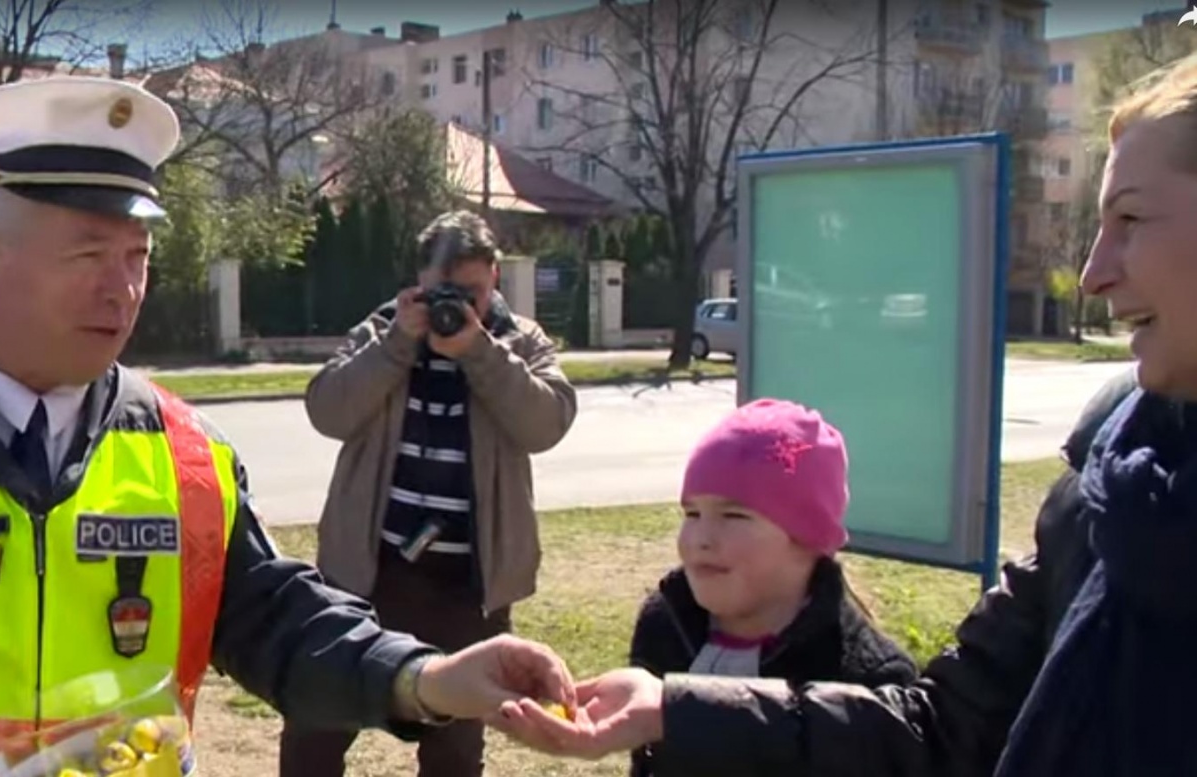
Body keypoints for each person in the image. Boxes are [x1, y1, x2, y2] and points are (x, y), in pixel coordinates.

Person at [493, 50, 1197, 777]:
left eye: (1133, 218)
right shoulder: (1101, 480)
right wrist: (677, 710)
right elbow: (939, 733)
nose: (1092, 273)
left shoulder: (863, 650)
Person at [0, 76, 575, 777]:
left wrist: (425, 677)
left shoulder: (185, 457)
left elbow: (276, 618)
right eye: (88, 255)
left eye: (138, 255)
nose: (124, 289)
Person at [282, 210, 577, 776]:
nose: (455, 306)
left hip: (468, 588)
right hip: (369, 572)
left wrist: (479, 351)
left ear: (494, 275)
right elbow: (328, 410)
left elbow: (545, 425)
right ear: (418, 279)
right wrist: (398, 344)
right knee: (316, 724)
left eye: (469, 291)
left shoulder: (521, 341)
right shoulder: (386, 329)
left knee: (456, 749)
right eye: (442, 291)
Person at [626, 398, 917, 775]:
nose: (701, 538)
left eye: (733, 515)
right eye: (692, 513)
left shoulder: (869, 679)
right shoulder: (665, 624)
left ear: (807, 538)